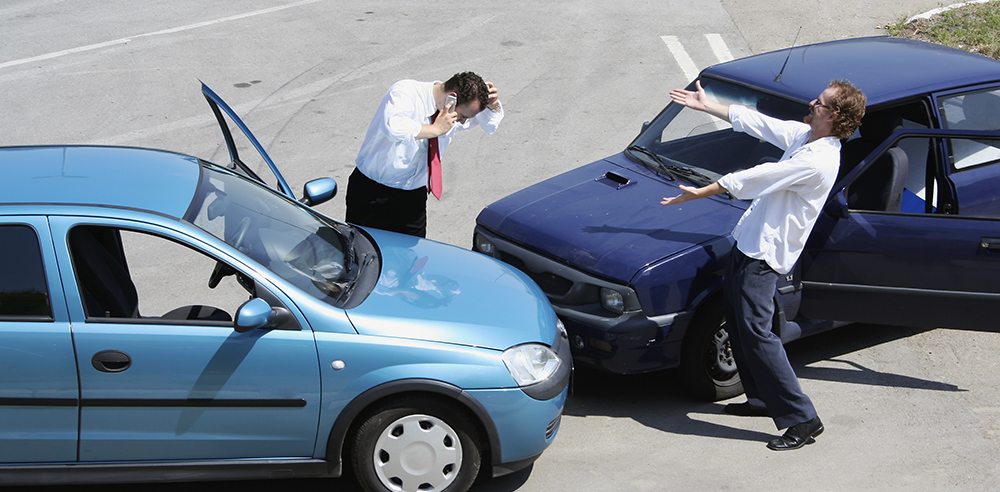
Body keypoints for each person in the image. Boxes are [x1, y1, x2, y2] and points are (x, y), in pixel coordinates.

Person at [660, 79, 865, 451]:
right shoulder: (807, 136)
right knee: (741, 325)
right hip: (750, 243)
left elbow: (759, 177)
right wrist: (707, 106)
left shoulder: (816, 160)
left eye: (818, 102)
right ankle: (760, 400)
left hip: (764, 257)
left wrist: (702, 192)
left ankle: (803, 418)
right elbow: (759, 122)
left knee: (757, 334)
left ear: (832, 115)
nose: (810, 101)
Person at [345, 71, 503, 238]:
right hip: (372, 193)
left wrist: (493, 105)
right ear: (452, 97)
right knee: (362, 255)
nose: (463, 122)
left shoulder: (451, 112)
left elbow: (490, 125)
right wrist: (434, 129)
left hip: (412, 199)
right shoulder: (405, 92)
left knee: (413, 258)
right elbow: (394, 127)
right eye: (463, 116)